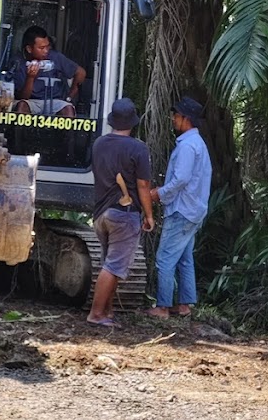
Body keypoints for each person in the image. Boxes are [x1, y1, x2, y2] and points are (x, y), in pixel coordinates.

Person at [86, 98, 154, 328]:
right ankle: (96, 314)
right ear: (133, 122)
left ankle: (107, 311)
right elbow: (143, 185)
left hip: (101, 214)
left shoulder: (99, 144)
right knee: (114, 266)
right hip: (124, 214)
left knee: (109, 263)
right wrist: (149, 215)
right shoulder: (138, 148)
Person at [146, 95, 211, 319]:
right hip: (194, 210)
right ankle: (184, 305)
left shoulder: (187, 146)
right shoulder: (198, 144)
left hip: (182, 210)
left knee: (164, 257)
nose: (173, 119)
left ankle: (163, 306)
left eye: (176, 116)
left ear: (186, 119)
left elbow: (181, 179)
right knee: (184, 257)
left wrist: (158, 194)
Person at [11, 25, 86, 118]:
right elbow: (23, 96)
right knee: (21, 106)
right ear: (29, 49)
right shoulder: (18, 62)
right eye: (41, 48)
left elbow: (80, 73)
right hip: (31, 101)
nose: (46, 51)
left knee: (68, 109)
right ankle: (20, 133)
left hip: (55, 100)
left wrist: (69, 97)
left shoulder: (55, 57)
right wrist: (30, 78)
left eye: (47, 47)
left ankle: (67, 133)